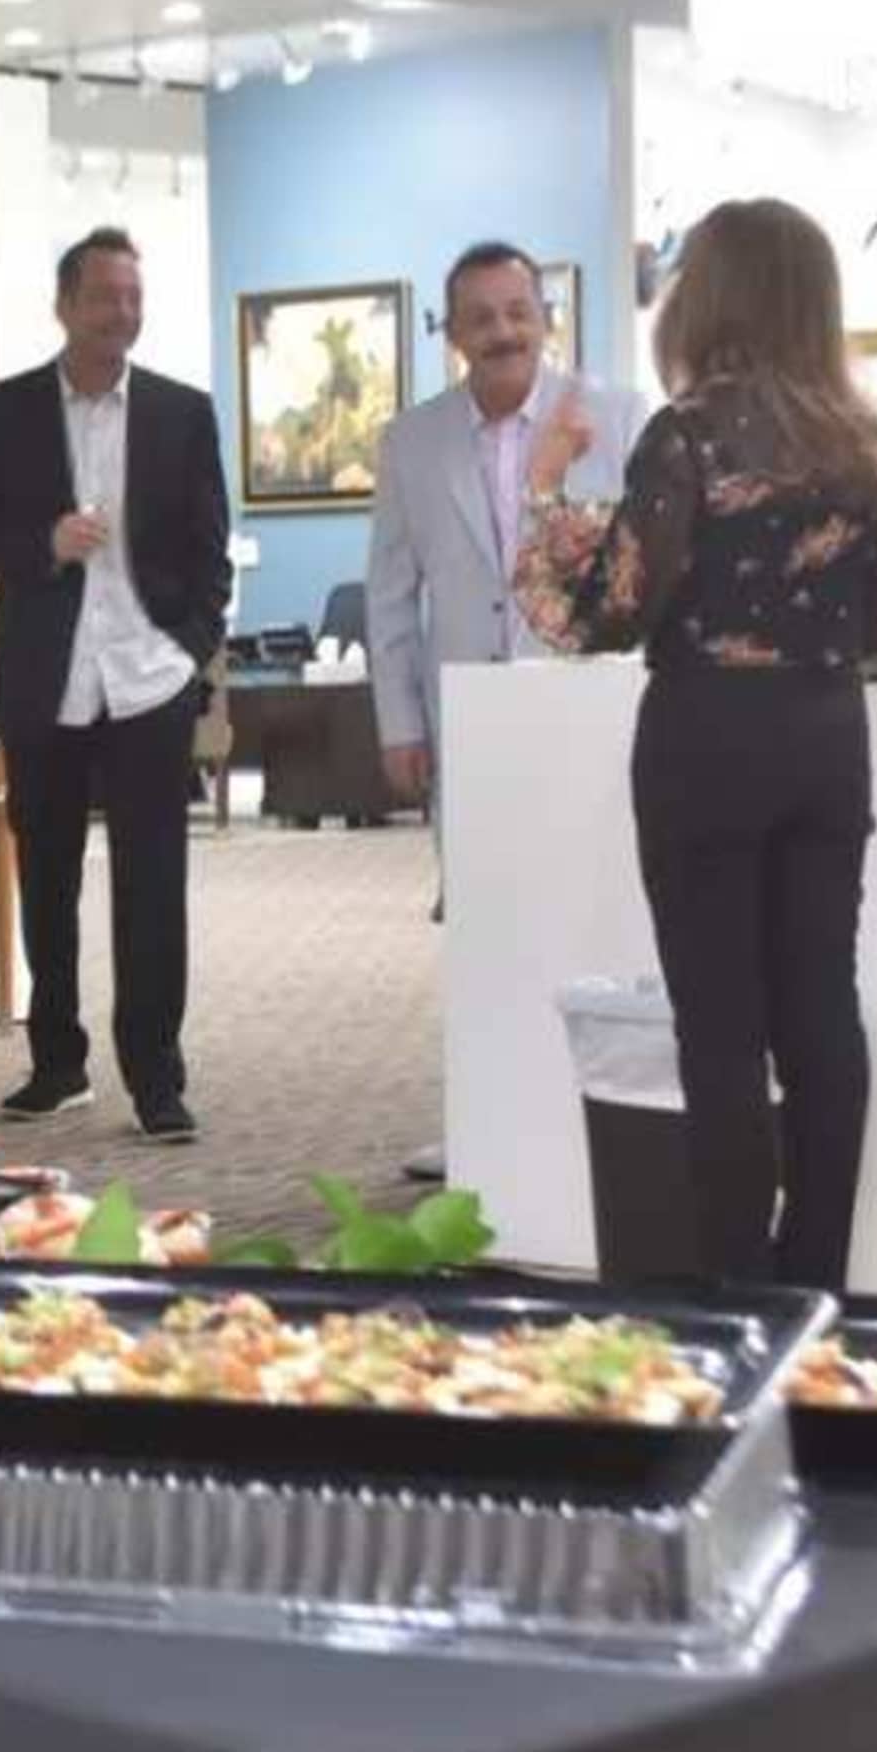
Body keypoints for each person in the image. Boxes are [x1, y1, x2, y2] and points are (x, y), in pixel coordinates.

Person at [513, 197, 877, 1287]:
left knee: (722, 1031)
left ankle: (740, 1289)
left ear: (713, 298)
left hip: (707, 743)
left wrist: (547, 487)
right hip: (827, 739)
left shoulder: (688, 435)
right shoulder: (872, 447)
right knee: (821, 1012)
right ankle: (818, 1281)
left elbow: (604, 614)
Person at [0, 226, 233, 1143]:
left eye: (134, 297)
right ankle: (57, 1062)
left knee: (153, 887)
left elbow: (209, 552)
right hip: (46, 677)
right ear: (65, 304)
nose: (123, 313)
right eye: (106, 295)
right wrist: (44, 545)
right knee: (47, 878)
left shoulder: (184, 414)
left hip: (149, 678)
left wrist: (189, 651)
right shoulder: (3, 411)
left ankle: (157, 1079)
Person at [365, 241, 647, 1178]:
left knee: (586, 913)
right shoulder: (411, 440)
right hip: (466, 722)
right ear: (452, 334)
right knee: (483, 926)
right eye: (481, 317)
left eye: (518, 311)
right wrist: (399, 721)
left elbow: (642, 567)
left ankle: (590, 1120)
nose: (503, 332)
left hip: (584, 710)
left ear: (546, 318)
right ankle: (481, 1122)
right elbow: (390, 590)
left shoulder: (612, 417)